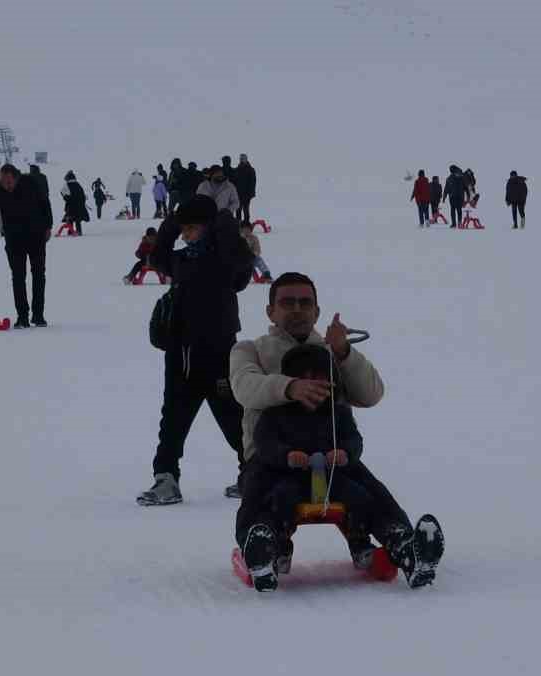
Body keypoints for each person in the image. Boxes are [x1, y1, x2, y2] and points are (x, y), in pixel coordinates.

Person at [229, 272, 443, 588]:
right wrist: (290, 388)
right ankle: (260, 546)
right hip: (273, 460)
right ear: (270, 311)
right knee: (262, 496)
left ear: (317, 311)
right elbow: (244, 387)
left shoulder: (331, 351)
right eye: (287, 302)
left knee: (371, 492)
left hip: (333, 459)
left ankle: (403, 543)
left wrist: (344, 353)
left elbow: (370, 394)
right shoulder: (251, 350)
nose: (297, 309)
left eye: (305, 302)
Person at [136, 196, 254, 507]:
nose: (186, 235)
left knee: (234, 418)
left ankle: (253, 473)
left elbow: (243, 265)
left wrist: (224, 223)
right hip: (181, 354)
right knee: (173, 419)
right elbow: (157, 257)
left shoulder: (225, 260)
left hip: (218, 354)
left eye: (191, 229)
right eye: (184, 229)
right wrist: (172, 223)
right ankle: (166, 478)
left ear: (208, 227)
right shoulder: (182, 259)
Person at [0, 163, 53, 329]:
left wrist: (48, 226)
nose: (6, 186)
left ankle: (38, 315)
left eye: (9, 182)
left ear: (16, 177)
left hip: (36, 236)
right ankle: (22, 317)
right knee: (18, 277)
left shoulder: (31, 183)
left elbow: (45, 203)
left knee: (39, 274)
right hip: (14, 239)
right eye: (3, 182)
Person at [233, 153, 257, 223]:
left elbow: (253, 182)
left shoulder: (251, 170)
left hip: (247, 194)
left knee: (246, 210)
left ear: (246, 159)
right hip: (238, 194)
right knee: (238, 210)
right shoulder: (237, 169)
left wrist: (251, 194)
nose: (242, 160)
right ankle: (238, 224)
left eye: (243, 158)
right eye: (241, 158)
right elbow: (234, 181)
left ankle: (246, 223)